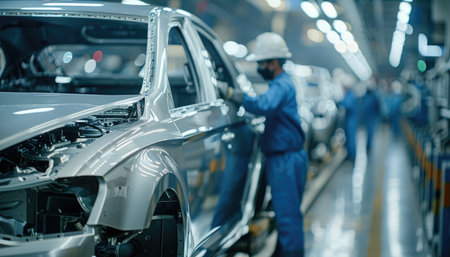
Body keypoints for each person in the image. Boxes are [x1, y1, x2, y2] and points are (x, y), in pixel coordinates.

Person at [219, 32, 308, 257]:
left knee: (287, 216)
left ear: (274, 62)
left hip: (285, 159)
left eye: (261, 63)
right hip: (285, 157)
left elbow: (264, 105)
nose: (259, 67)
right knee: (287, 213)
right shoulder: (282, 82)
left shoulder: (282, 84)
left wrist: (233, 94)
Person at [339, 75, 358, 161]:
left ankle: (352, 156)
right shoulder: (349, 93)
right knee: (349, 137)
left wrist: (340, 103)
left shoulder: (350, 94)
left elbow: (348, 105)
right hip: (349, 119)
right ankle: (349, 154)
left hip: (351, 119)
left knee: (351, 137)